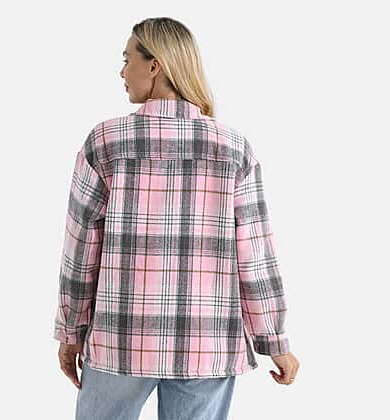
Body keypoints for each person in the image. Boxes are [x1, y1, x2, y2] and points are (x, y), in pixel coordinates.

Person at [52, 16, 300, 420]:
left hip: (120, 340)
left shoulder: (105, 142)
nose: (121, 71)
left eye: (127, 59)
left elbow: (80, 251)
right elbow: (255, 258)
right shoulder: (233, 148)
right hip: (207, 344)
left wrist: (70, 331)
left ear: (154, 65)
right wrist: (274, 341)